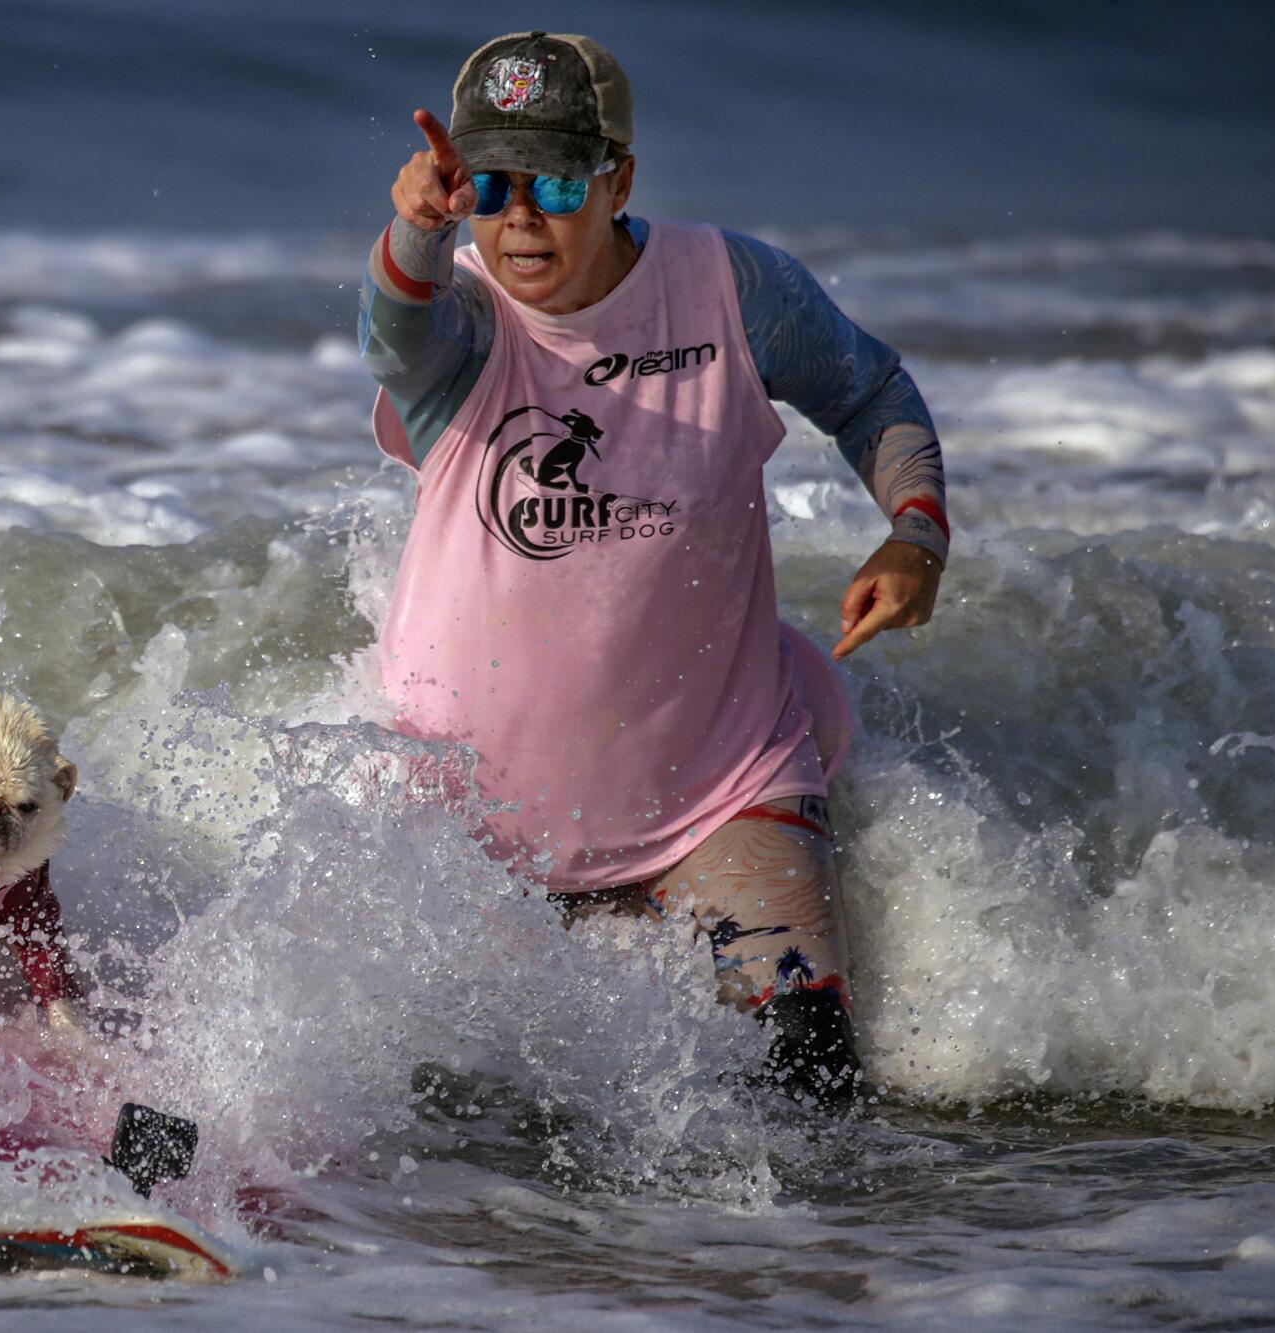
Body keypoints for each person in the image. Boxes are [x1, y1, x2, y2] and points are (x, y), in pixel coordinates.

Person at [359, 31, 949, 1104]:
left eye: (551, 181)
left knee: (810, 1093)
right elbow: (389, 330)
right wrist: (412, 227)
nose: (519, 216)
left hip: (717, 792)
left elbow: (871, 394)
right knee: (454, 1141)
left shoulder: (732, 289)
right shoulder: (464, 327)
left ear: (617, 178)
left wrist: (914, 535)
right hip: (464, 828)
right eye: (487, 185)